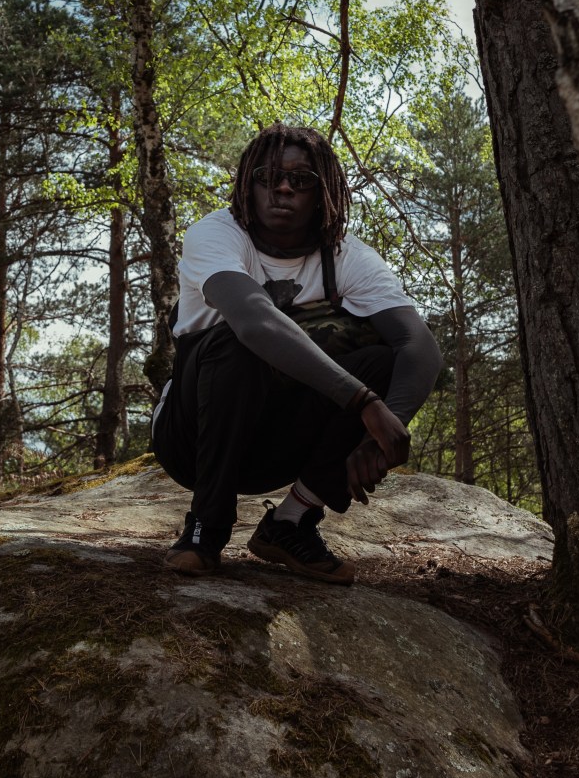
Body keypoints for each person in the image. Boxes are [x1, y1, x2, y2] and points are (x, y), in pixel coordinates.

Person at [151, 125, 442, 584]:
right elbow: (253, 319)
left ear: (323, 191)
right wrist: (362, 402)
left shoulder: (346, 257)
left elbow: (418, 344)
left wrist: (387, 428)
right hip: (192, 438)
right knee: (239, 342)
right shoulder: (216, 234)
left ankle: (291, 525)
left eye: (301, 179)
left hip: (277, 444)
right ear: (248, 183)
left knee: (383, 362)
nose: (282, 187)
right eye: (267, 176)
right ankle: (205, 530)